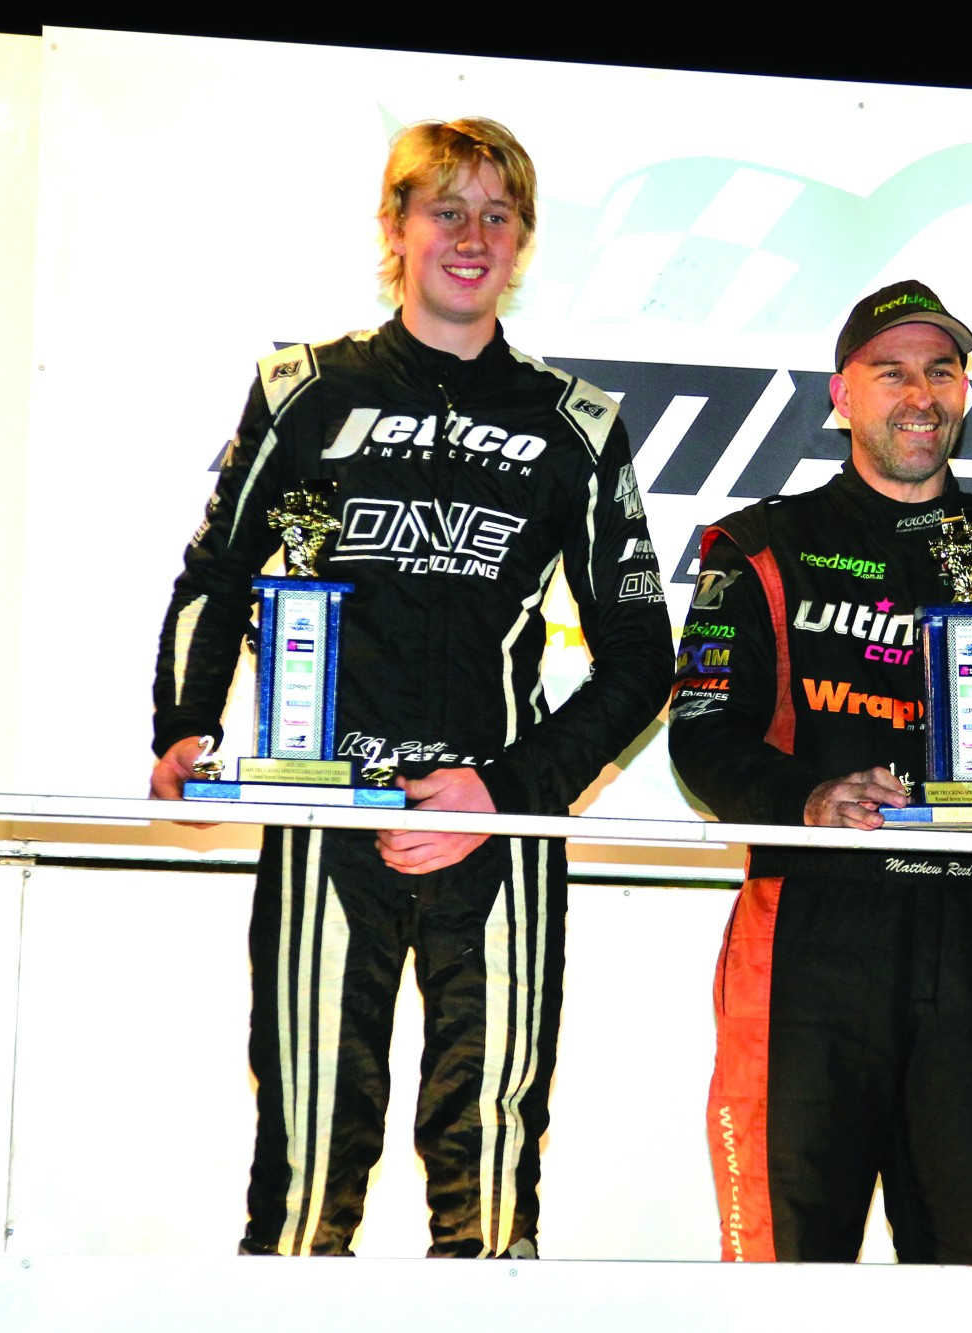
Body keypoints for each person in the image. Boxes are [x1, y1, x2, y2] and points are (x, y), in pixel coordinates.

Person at [149, 118, 671, 1257]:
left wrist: (504, 790)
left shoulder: (575, 425)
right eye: (447, 209)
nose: (472, 236)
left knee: (486, 1173)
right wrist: (186, 725)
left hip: (499, 830)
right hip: (324, 812)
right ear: (395, 227)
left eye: (497, 214)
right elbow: (218, 570)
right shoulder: (303, 390)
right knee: (305, 1172)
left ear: (524, 242)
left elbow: (642, 656)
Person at [669, 280, 972, 1263]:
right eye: (891, 372)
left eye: (940, 371)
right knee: (783, 1272)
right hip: (808, 938)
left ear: (963, 392)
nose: (919, 393)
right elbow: (699, 732)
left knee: (967, 1275)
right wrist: (806, 797)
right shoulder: (754, 547)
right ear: (842, 394)